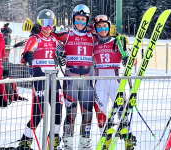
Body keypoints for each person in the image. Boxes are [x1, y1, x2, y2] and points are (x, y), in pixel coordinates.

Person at [51, 4, 97, 150]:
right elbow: (47, 35)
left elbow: (107, 40)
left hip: (88, 81)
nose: (80, 23)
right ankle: (67, 144)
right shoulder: (67, 34)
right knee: (71, 113)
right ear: (73, 20)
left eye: (83, 20)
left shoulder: (92, 36)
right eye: (77, 19)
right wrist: (57, 50)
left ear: (87, 20)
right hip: (70, 79)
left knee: (87, 114)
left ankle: (85, 143)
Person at [16, 9, 63, 150]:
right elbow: (24, 57)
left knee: (58, 110)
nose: (48, 27)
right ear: (40, 24)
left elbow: (65, 49)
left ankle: (53, 140)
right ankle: (26, 141)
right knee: (39, 112)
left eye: (51, 23)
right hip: (40, 77)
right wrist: (26, 57)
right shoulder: (34, 39)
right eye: (45, 23)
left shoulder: (55, 39)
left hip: (54, 77)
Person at [93, 15, 136, 149]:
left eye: (105, 26)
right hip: (99, 83)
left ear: (109, 27)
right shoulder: (93, 44)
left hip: (115, 82)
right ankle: (105, 141)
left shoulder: (117, 41)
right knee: (101, 113)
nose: (102, 29)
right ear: (95, 29)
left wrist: (127, 57)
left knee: (122, 112)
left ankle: (128, 139)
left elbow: (133, 60)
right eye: (99, 27)